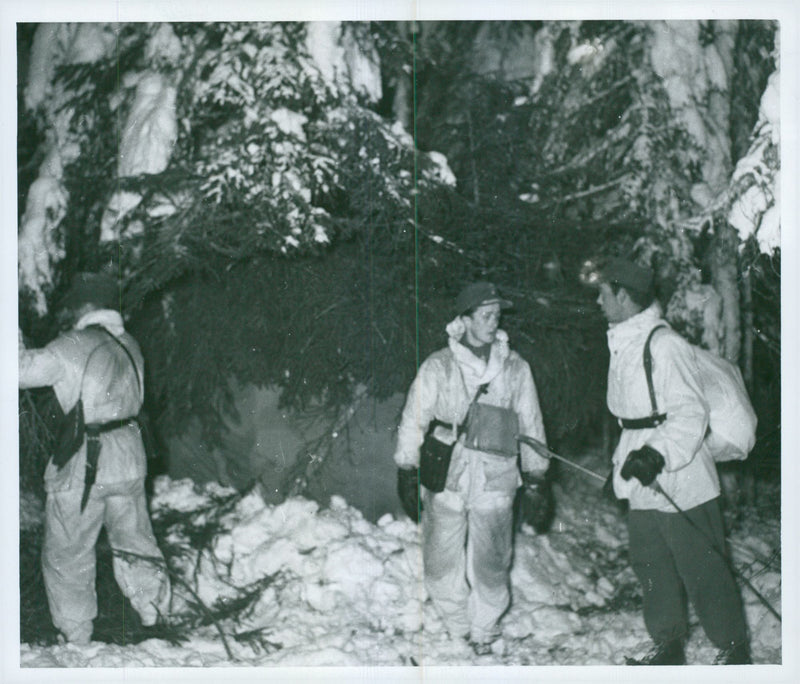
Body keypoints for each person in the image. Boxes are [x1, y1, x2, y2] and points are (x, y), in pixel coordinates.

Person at [594, 257, 750, 665]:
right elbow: (634, 418)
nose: (598, 300)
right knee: (650, 561)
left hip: (682, 473)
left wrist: (656, 453)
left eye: (604, 293)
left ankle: (734, 651)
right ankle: (668, 646)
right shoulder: (622, 343)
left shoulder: (665, 345)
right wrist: (621, 466)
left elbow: (690, 412)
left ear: (623, 296)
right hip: (642, 470)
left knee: (702, 565)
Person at [393, 282, 549, 655]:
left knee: (493, 561)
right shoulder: (439, 365)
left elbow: (531, 422)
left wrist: (536, 477)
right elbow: (414, 418)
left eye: (497, 315)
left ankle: (484, 627)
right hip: (449, 472)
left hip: (496, 475)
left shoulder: (515, 368)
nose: (495, 322)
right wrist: (407, 467)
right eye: (486, 315)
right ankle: (458, 624)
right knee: (439, 557)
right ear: (463, 320)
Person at [19, 272, 170, 645]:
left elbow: (18, 372)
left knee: (68, 550)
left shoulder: (72, 345)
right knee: (135, 540)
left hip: (88, 462)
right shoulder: (129, 344)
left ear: (83, 307)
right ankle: (155, 612)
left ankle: (76, 634)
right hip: (131, 457)